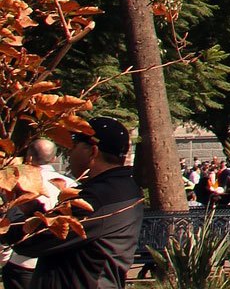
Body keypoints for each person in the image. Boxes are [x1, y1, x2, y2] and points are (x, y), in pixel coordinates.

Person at [7, 118, 143, 289]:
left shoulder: (97, 199)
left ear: (93, 151)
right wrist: (34, 209)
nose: (69, 153)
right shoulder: (122, 188)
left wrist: (11, 206)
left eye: (74, 146)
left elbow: (31, 240)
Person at [3, 139, 71, 289]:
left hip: (21, 261)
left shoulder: (16, 183)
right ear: (53, 158)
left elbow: (8, 223)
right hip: (55, 261)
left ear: (29, 157)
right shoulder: (70, 185)